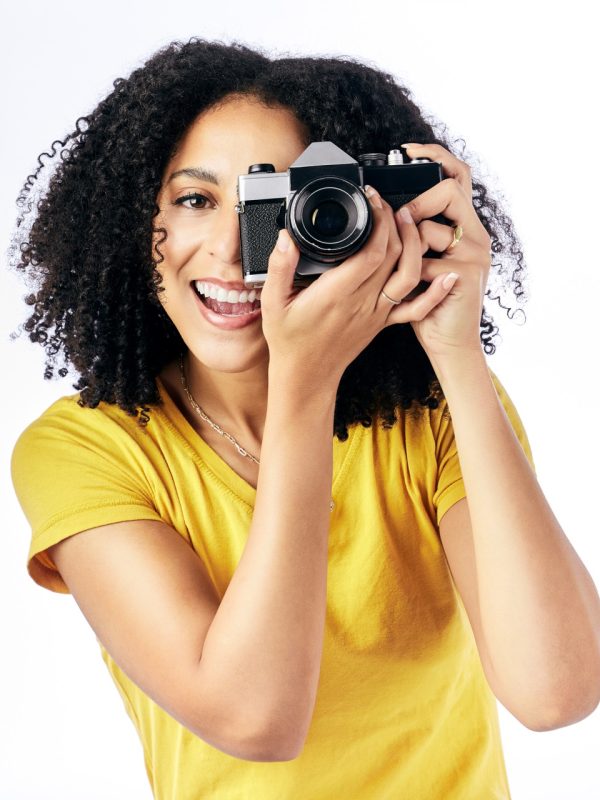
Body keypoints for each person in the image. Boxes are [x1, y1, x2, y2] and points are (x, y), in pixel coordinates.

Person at [9, 38, 600, 800]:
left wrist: (456, 353)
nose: (232, 252)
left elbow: (556, 693)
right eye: (195, 200)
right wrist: (304, 385)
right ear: (134, 222)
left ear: (371, 219)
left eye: (285, 210)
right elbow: (257, 720)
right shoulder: (86, 449)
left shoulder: (434, 412)